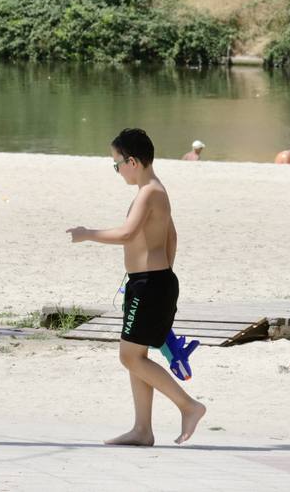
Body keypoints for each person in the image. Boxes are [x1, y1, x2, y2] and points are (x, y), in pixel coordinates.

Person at [66, 128, 206, 447]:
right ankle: (142, 429)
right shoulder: (154, 191)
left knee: (129, 357)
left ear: (132, 161)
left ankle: (189, 406)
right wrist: (161, 274)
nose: (117, 171)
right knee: (137, 355)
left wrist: (88, 233)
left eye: (117, 164)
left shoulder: (150, 192)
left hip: (150, 285)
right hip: (149, 282)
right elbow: (172, 237)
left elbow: (128, 234)